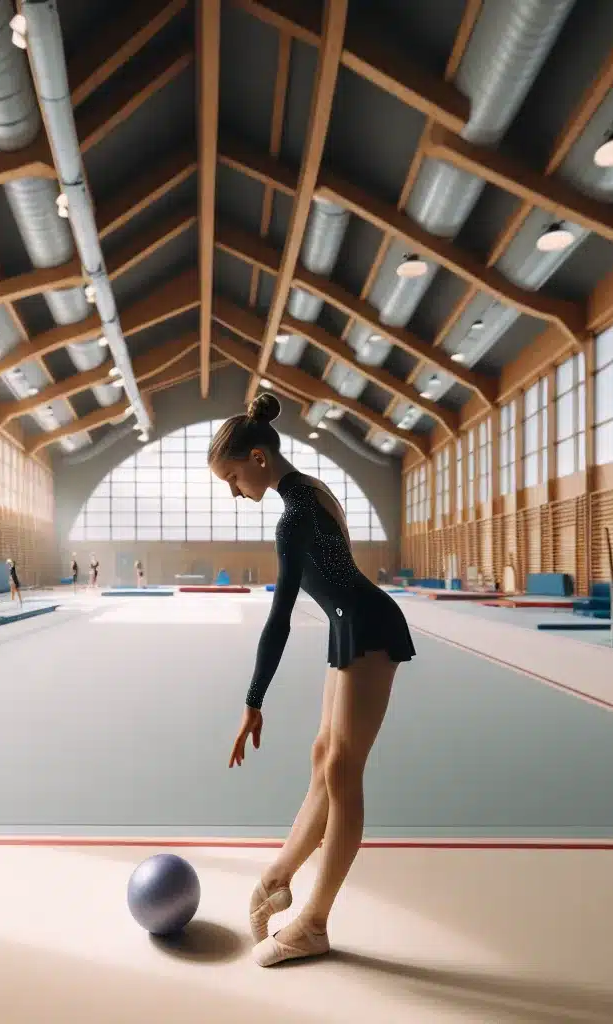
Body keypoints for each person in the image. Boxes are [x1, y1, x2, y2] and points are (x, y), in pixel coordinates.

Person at [209, 391, 415, 968]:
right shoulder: (308, 491)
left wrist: (253, 700)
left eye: (231, 477)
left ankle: (314, 923)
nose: (233, 491)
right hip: (349, 626)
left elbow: (279, 617)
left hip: (367, 626)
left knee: (343, 771)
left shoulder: (295, 514)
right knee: (324, 755)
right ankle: (275, 881)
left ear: (257, 459)